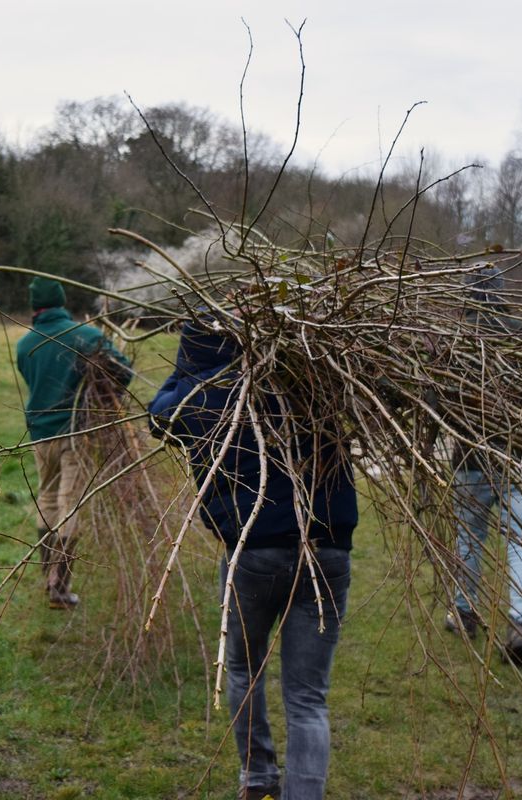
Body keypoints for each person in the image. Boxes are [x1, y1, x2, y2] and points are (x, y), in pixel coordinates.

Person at [148, 319, 358, 800]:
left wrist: (186, 369)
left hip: (254, 552)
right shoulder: (308, 379)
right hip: (328, 550)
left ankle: (259, 776)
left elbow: (156, 417)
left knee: (245, 669)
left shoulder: (194, 400)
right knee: (308, 698)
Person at [443, 264, 522, 667]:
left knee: (469, 538)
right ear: (501, 292)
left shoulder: (452, 340)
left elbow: (439, 402)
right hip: (516, 458)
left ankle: (465, 612)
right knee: (521, 541)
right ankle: (521, 623)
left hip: (469, 460)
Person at [15, 276, 131, 609]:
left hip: (40, 433)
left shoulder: (26, 345)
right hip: (75, 433)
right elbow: (123, 372)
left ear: (35, 306)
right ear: (62, 301)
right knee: (71, 503)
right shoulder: (87, 336)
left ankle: (48, 579)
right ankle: (61, 588)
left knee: (47, 498)